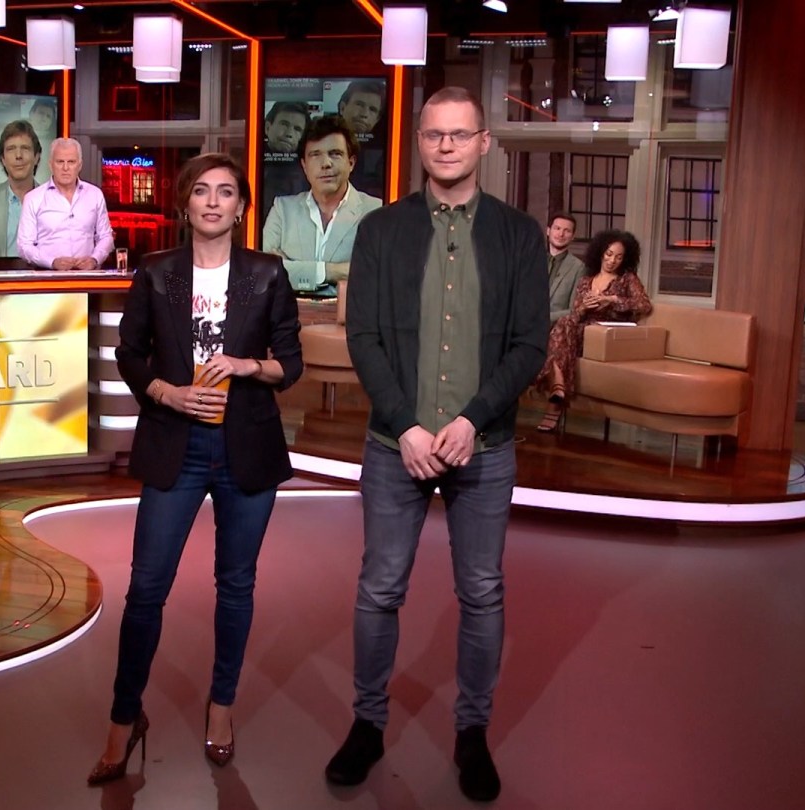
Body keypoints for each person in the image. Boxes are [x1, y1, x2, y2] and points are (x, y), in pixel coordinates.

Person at [327, 87, 547, 803]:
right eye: (434, 135)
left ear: (484, 143)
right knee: (379, 588)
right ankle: (367, 724)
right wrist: (408, 425)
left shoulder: (519, 235)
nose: (446, 146)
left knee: (481, 592)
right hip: (397, 444)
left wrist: (472, 420)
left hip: (484, 447)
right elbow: (363, 336)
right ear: (418, 142)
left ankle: (472, 732)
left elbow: (530, 344)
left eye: (459, 134)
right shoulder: (381, 231)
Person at [89, 153, 302, 785]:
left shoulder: (267, 273)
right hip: (174, 445)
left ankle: (221, 705)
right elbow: (130, 355)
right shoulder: (157, 273)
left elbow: (289, 363)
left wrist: (246, 366)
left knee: (235, 586)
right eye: (202, 191)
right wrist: (167, 393)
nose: (213, 201)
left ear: (241, 207)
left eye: (226, 192)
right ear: (184, 204)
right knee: (146, 590)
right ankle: (124, 719)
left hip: (246, 447)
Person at [533, 229, 652, 431]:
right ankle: (558, 389)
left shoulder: (627, 279)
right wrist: (584, 307)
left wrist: (612, 300)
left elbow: (643, 305)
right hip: (582, 331)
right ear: (600, 252)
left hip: (606, 334)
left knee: (561, 330)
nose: (612, 261)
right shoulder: (586, 281)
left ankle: (555, 399)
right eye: (609, 254)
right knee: (565, 323)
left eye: (618, 257)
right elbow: (576, 314)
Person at [261, 115, 383, 292]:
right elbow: (265, 271)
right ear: (304, 165)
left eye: (335, 154)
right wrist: (332, 271)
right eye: (315, 155)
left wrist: (291, 268)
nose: (325, 163)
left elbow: (377, 273)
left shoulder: (376, 211)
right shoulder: (282, 209)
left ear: (351, 163)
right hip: (291, 310)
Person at [17, 137, 115, 270]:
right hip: (47, 276)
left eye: (71, 162)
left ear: (79, 165)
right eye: (60, 162)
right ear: (50, 165)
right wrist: (52, 262)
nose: (65, 168)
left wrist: (94, 259)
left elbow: (106, 236)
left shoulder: (95, 194)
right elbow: (24, 245)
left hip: (86, 276)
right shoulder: (33, 198)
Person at [0, 120, 41, 258]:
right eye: (11, 149)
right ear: (3, 159)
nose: (18, 156)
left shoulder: (52, 199)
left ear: (36, 157)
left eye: (25, 148)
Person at [545, 212, 585, 324]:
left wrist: (543, 318)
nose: (561, 234)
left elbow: (575, 309)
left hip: (557, 329)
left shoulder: (578, 267)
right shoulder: (532, 260)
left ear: (573, 236)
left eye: (567, 231)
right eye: (557, 228)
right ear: (548, 231)